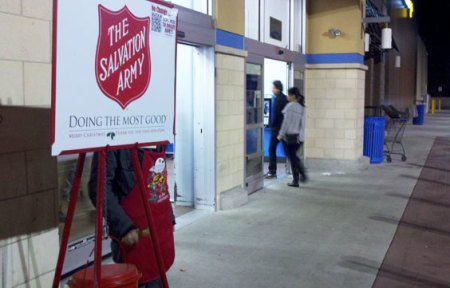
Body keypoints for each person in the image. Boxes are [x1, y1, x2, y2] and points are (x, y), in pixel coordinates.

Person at [89, 147, 176, 288]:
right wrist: (123, 227)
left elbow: (160, 180)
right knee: (137, 280)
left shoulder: (155, 133)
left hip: (159, 230)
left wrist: (169, 217)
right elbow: (99, 188)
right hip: (134, 235)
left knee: (157, 278)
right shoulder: (113, 141)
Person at [277, 87, 308, 187]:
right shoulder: (302, 107)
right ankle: (301, 175)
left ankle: (297, 179)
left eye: (289, 94)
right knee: (294, 157)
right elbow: (303, 125)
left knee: (292, 158)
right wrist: (302, 137)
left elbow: (285, 123)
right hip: (299, 137)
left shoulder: (289, 107)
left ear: (293, 96)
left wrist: (280, 135)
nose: (287, 96)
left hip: (290, 137)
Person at [265, 80, 288, 179]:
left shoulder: (278, 99)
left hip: (277, 129)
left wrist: (270, 124)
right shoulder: (284, 98)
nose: (272, 89)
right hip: (284, 128)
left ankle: (272, 171)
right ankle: (293, 169)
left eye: (273, 87)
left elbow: (277, 115)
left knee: (271, 149)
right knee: (288, 150)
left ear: (277, 88)